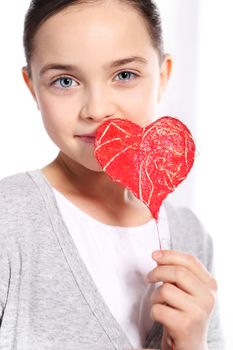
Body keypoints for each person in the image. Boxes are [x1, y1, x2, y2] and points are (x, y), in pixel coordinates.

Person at [0, 0, 225, 349]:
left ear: (162, 76)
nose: (97, 109)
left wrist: (192, 344)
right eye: (64, 81)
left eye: (124, 75)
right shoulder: (8, 220)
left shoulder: (191, 236)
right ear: (32, 87)